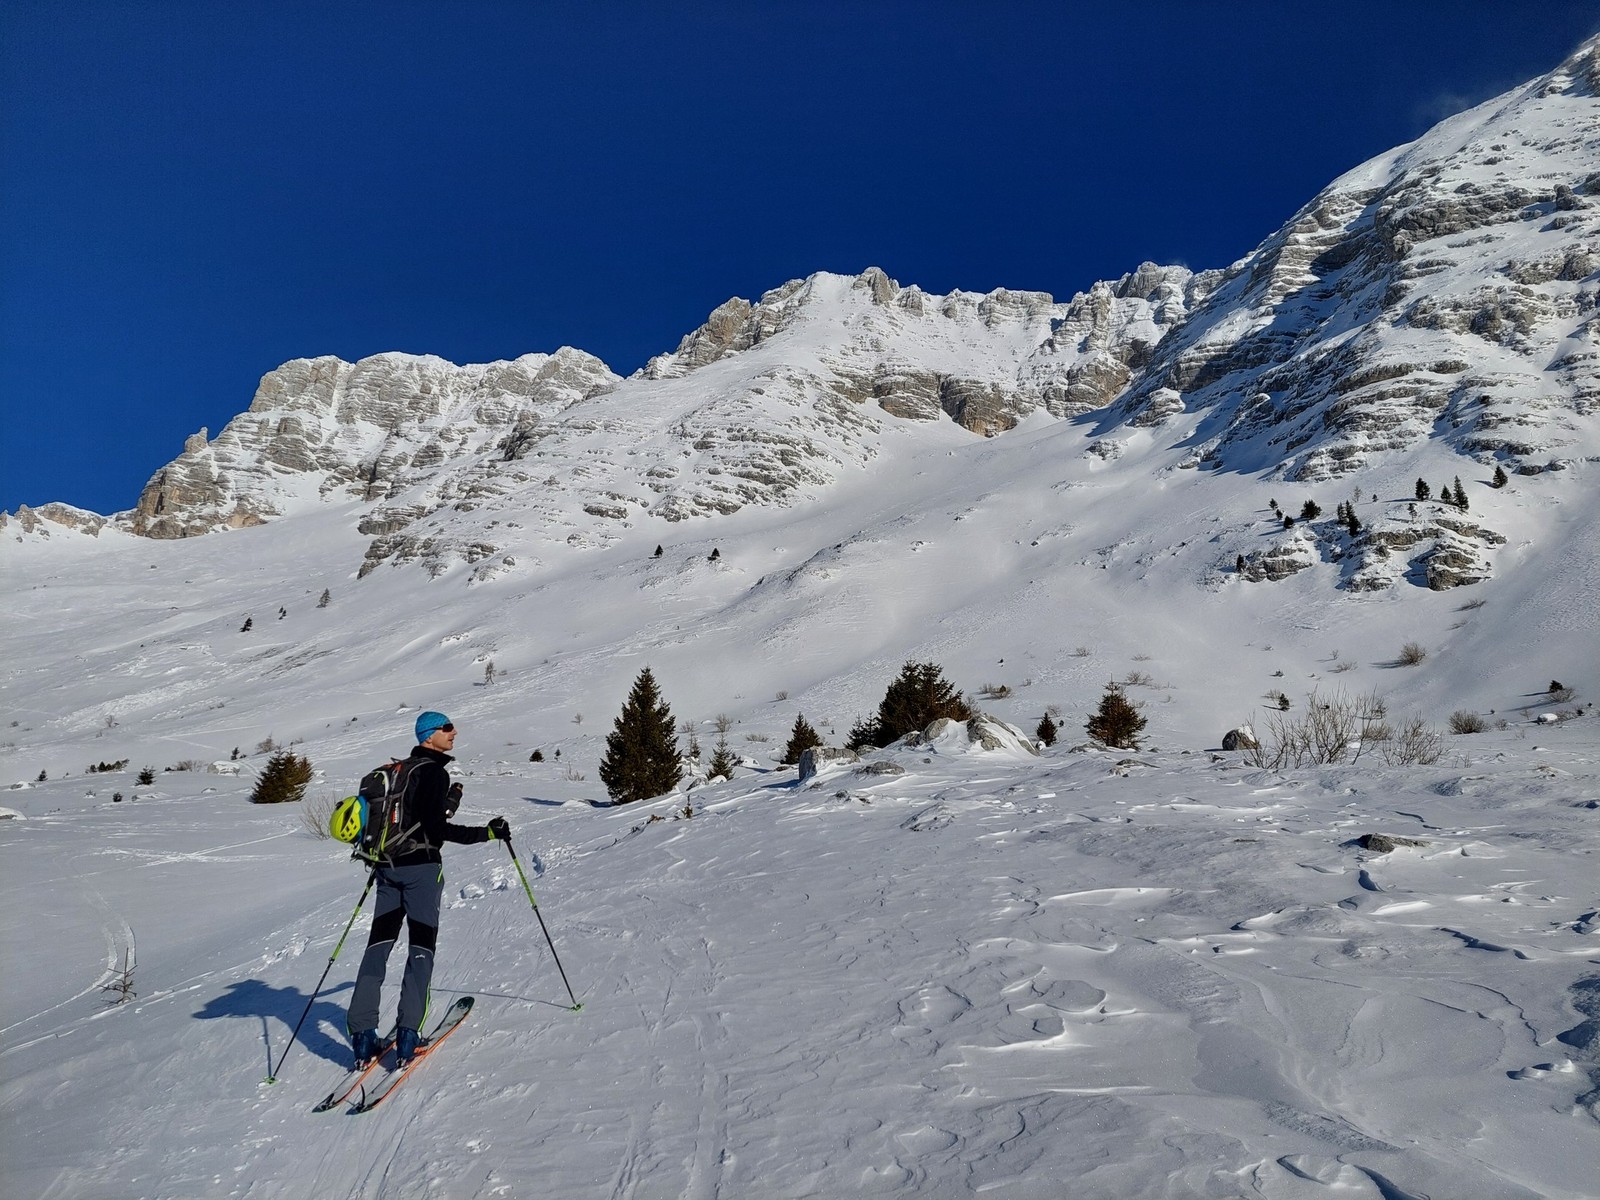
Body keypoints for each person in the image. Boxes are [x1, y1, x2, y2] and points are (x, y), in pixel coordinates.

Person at [347, 710, 511, 1068]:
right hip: (421, 872)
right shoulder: (433, 772)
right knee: (421, 949)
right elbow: (435, 831)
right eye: (447, 728)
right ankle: (408, 1037)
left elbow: (415, 818)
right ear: (428, 735)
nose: (454, 733)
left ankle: (362, 1038)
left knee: (378, 948)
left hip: (386, 870)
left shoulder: (397, 771)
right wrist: (488, 833)